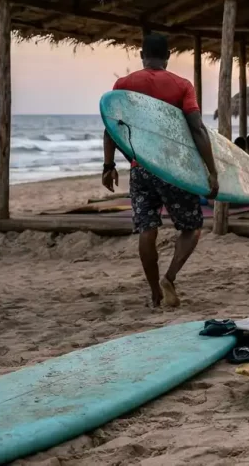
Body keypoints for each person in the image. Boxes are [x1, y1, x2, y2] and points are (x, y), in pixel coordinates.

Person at [102, 33, 218, 309]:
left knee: (147, 229)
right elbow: (197, 129)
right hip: (172, 169)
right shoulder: (181, 86)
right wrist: (211, 170)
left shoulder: (124, 85)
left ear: (142, 56)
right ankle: (169, 278)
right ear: (167, 57)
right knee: (192, 228)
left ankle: (154, 292)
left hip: (140, 168)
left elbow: (111, 128)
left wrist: (108, 166)